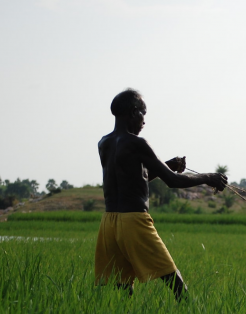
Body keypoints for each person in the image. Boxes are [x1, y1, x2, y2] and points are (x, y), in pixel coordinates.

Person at [95, 88, 228, 301]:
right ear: (132, 112)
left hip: (109, 222)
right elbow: (173, 181)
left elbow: (136, 178)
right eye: (143, 114)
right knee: (174, 279)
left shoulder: (104, 143)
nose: (144, 121)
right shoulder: (137, 143)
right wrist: (208, 177)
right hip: (133, 220)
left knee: (121, 285)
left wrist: (168, 165)